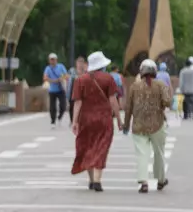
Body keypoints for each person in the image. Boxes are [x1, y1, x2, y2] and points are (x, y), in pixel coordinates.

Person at [70, 51, 122, 192]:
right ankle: (98, 180)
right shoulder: (108, 79)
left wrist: (74, 121)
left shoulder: (80, 80)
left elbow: (78, 103)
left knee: (87, 147)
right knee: (101, 147)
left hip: (86, 119)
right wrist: (118, 118)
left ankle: (92, 179)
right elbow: (113, 100)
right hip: (104, 119)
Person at [123, 59, 172, 193]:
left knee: (142, 154)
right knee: (159, 153)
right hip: (157, 124)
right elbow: (167, 102)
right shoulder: (160, 85)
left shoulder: (134, 87)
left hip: (139, 126)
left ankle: (143, 182)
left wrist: (126, 124)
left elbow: (128, 108)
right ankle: (161, 180)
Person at [43, 53, 68, 128]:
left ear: (56, 60)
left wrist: (61, 78)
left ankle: (59, 117)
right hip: (52, 90)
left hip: (60, 89)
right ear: (49, 61)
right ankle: (53, 121)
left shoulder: (61, 66)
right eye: (51, 60)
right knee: (52, 107)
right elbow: (45, 78)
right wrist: (53, 81)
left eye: (54, 59)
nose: (52, 61)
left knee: (63, 106)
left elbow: (66, 75)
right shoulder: (48, 68)